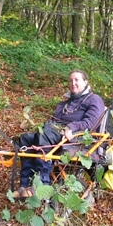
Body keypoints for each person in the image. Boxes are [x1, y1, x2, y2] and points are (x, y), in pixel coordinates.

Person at [14, 70, 105, 198]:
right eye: (70, 80)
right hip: (56, 133)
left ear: (85, 82)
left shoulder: (94, 99)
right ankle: (25, 184)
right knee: (26, 139)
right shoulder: (67, 102)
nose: (73, 83)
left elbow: (91, 122)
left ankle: (41, 184)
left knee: (44, 136)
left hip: (77, 138)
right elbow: (55, 121)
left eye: (77, 80)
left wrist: (71, 127)